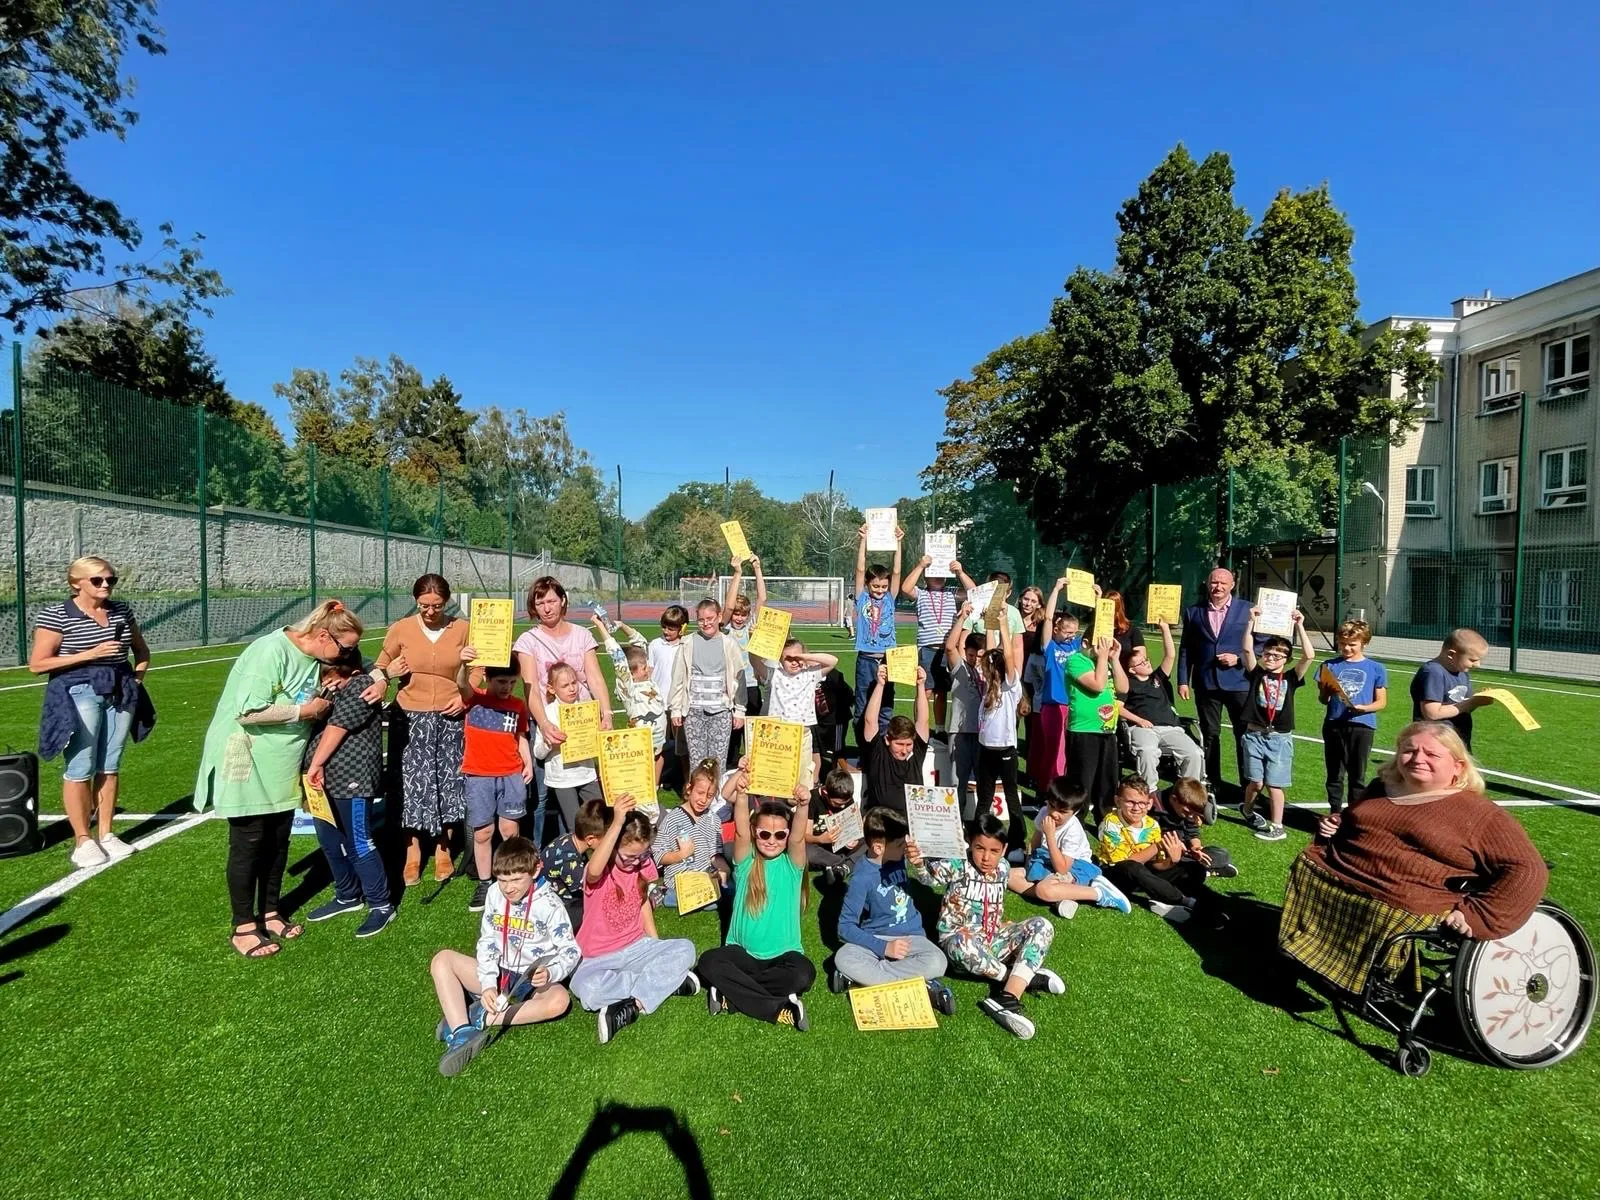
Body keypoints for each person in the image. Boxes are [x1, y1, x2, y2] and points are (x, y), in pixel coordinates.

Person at [1280, 721, 1549, 996]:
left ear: (1458, 766)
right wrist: (1335, 824)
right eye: (1409, 751)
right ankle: (1308, 952)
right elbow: (1355, 820)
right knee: (1307, 871)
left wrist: (1478, 915)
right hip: (1340, 871)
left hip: (1404, 895)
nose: (1418, 759)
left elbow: (1528, 868)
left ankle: (1347, 971)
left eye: (1432, 755)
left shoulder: (1480, 814)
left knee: (1381, 909)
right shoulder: (1381, 787)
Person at [194, 599, 363, 959]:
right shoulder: (270, 650)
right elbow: (248, 710)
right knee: (249, 842)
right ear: (322, 635)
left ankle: (270, 911)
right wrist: (306, 710)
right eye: (345, 647)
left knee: (278, 840)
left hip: (282, 763)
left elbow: (351, 676)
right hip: (248, 759)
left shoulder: (315, 659)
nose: (349, 654)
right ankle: (242, 925)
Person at [30, 555, 151, 868]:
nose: (106, 585)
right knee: (81, 766)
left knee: (110, 765)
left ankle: (107, 833)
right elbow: (38, 664)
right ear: (76, 583)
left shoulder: (122, 611)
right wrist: (91, 654)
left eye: (111, 579)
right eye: (97, 580)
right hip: (78, 690)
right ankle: (83, 839)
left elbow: (141, 650)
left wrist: (137, 678)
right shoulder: (57, 615)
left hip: (121, 690)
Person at [430, 836, 579, 1077]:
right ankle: (461, 1032)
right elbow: (487, 941)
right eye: (502, 880)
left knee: (559, 1002)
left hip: (532, 982)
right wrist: (488, 983)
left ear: (536, 869)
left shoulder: (550, 905)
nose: (509, 888)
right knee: (442, 960)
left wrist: (552, 972)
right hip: (500, 973)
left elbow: (571, 951)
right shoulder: (494, 894)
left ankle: (482, 1017)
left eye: (517, 879)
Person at [907, 813, 1065, 1039]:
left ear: (1004, 848)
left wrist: (1001, 924)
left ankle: (1007, 997)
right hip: (961, 946)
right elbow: (929, 878)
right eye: (980, 849)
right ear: (970, 844)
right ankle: (1018, 978)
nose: (986, 858)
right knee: (960, 943)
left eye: (994, 851)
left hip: (993, 940)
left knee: (1043, 925)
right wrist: (919, 863)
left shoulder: (1003, 868)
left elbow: (995, 901)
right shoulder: (959, 864)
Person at [570, 795, 701, 1044]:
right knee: (587, 991)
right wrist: (617, 822)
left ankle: (633, 1004)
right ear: (612, 847)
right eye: (628, 856)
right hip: (597, 957)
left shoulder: (642, 865)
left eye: (640, 856)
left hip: (637, 947)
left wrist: (655, 942)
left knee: (686, 948)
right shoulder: (598, 870)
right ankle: (667, 982)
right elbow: (595, 869)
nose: (634, 862)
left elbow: (642, 903)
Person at [367, 574, 470, 886]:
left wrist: (464, 698)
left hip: (450, 719)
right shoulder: (401, 628)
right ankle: (412, 852)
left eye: (437, 605)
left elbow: (479, 671)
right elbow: (378, 667)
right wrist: (386, 672)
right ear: (415, 601)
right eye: (424, 605)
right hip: (409, 718)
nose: (430, 611)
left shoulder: (463, 629)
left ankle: (443, 849)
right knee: (410, 786)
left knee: (447, 783)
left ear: (447, 601)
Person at [697, 763, 815, 1028]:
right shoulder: (746, 862)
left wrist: (804, 805)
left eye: (779, 834)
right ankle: (779, 1008)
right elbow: (739, 830)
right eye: (763, 833)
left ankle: (729, 994)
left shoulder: (791, 866)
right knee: (708, 962)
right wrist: (741, 795)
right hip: (741, 955)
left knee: (804, 974)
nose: (771, 840)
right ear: (754, 833)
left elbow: (798, 840)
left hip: (783, 957)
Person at [302, 648, 394, 937]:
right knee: (329, 839)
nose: (331, 684)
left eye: (334, 679)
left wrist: (316, 763)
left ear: (351, 672)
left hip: (352, 779)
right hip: (322, 781)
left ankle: (381, 904)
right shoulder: (330, 692)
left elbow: (337, 727)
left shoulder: (361, 685)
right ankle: (347, 895)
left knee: (359, 842)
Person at [830, 807, 956, 1012]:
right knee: (843, 956)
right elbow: (845, 928)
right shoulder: (861, 878)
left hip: (911, 939)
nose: (906, 847)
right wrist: (883, 948)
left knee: (938, 962)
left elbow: (935, 873)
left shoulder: (898, 857)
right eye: (900, 844)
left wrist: (920, 862)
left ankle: (862, 980)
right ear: (879, 848)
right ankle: (922, 986)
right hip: (876, 940)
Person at [515, 576, 613, 798]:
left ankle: (576, 831)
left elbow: (595, 679)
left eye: (551, 601)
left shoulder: (582, 635)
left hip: (582, 720)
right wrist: (545, 724)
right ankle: (544, 834)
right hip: (546, 719)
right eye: (540, 604)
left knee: (584, 785)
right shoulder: (527, 640)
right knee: (541, 795)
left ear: (562, 601)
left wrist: (606, 714)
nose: (546, 609)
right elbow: (529, 686)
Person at [455, 648, 535, 913]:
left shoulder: (517, 706)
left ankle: (515, 877)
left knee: (510, 831)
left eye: (512, 682)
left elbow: (521, 738)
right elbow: (461, 683)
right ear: (488, 678)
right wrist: (464, 664)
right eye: (502, 682)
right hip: (479, 776)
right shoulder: (474, 700)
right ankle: (484, 881)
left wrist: (528, 763)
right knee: (483, 832)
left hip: (511, 774)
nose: (507, 687)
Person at [1238, 606, 1316, 843]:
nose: (1270, 658)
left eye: (1277, 656)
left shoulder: (1292, 678)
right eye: (1268, 654)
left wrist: (1299, 625)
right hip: (1254, 736)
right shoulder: (1257, 673)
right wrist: (1251, 622)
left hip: (1280, 739)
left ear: (1287, 659)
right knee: (1256, 782)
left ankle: (1277, 825)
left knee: (1275, 785)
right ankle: (1248, 809)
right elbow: (1245, 648)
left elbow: (1309, 656)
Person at [1177, 568, 1254, 801]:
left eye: (1222, 583)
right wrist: (1183, 680)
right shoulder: (1193, 612)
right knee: (1210, 734)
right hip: (1206, 683)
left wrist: (1239, 657)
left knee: (1244, 735)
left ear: (1232, 585)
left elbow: (1262, 643)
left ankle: (1247, 783)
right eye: (1213, 582)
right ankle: (1213, 781)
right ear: (1207, 584)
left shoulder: (1248, 610)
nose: (1217, 587)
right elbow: (1186, 650)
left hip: (1240, 683)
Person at [1010, 779, 1131, 917]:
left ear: (1075, 811)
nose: (1054, 814)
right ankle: (1061, 899)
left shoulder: (1073, 830)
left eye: (1062, 811)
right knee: (1009, 876)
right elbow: (1036, 840)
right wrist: (1028, 862)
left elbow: (1062, 869)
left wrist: (1050, 836)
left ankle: (1098, 893)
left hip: (1075, 866)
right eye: (1051, 806)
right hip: (1048, 859)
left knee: (1043, 889)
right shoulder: (1044, 812)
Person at [1095, 778, 1203, 924]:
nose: (1136, 808)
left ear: (1149, 804)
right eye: (1130, 802)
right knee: (1133, 867)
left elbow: (1157, 865)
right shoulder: (1110, 823)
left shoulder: (1152, 825)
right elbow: (1124, 863)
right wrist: (1158, 846)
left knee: (1195, 869)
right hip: (1116, 873)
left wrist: (1172, 860)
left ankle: (1159, 896)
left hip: (1143, 873)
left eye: (1142, 803)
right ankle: (1180, 899)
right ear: (1117, 801)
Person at [1118, 620, 1204, 793]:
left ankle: (1187, 793)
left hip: (1171, 728)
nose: (1147, 663)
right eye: (1141, 663)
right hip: (1142, 728)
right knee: (1148, 751)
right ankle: (1148, 794)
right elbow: (1118, 707)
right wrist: (1139, 720)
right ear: (1132, 670)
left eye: (1146, 660)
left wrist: (1165, 629)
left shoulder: (1158, 677)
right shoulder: (1126, 683)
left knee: (1194, 753)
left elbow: (1170, 655)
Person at [531, 663, 604, 851]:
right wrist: (550, 744)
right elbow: (537, 752)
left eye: (574, 682)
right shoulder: (547, 714)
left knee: (599, 818)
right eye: (565, 685)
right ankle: (576, 866)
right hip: (562, 778)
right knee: (575, 826)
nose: (572, 688)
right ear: (551, 689)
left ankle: (602, 862)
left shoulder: (588, 709)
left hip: (587, 772)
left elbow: (597, 744)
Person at [1319, 618, 1389, 813]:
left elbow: (1382, 701)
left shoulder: (1376, 668)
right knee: (1334, 772)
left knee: (1357, 775)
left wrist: (1363, 708)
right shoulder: (1329, 665)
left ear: (1364, 643)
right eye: (1342, 644)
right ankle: (1335, 813)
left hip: (1362, 725)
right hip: (1334, 724)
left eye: (1352, 644)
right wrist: (1326, 691)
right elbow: (1323, 699)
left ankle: (1354, 815)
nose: (1346, 648)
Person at [669, 598, 747, 768]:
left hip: (721, 712)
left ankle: (716, 794)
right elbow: (678, 679)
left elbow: (739, 679)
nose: (706, 623)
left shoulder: (730, 644)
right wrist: (676, 708)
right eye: (701, 620)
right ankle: (697, 794)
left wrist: (739, 710)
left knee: (717, 761)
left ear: (719, 617)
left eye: (710, 618)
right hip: (693, 712)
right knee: (697, 762)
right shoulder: (687, 643)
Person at [754, 636, 837, 791]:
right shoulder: (775, 675)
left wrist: (804, 657)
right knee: (778, 774)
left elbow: (832, 661)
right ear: (780, 660)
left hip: (802, 732)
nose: (794, 662)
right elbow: (754, 661)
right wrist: (755, 639)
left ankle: (802, 808)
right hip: (778, 734)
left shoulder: (810, 674)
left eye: (797, 658)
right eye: (788, 658)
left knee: (803, 775)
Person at [593, 614, 668, 784]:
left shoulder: (648, 680)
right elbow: (617, 656)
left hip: (657, 740)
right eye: (644, 667)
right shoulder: (629, 687)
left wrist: (621, 626)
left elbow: (640, 642)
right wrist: (601, 627)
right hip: (641, 741)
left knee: (658, 758)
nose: (648, 668)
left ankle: (653, 790)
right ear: (634, 671)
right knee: (639, 771)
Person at [974, 620, 1026, 854]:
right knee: (984, 799)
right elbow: (992, 648)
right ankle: (979, 837)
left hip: (1005, 751)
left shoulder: (1011, 687)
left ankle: (1017, 840)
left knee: (1011, 797)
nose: (984, 671)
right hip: (985, 751)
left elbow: (1008, 654)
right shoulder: (987, 689)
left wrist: (1004, 623)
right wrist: (990, 624)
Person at [1029, 578, 1084, 796]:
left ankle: (1057, 788)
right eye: (1067, 631)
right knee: (1054, 751)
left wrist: (1099, 600)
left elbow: (1099, 631)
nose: (1071, 635)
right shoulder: (1050, 646)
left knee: (1066, 751)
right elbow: (1049, 617)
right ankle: (1048, 790)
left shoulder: (1077, 645)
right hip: (1052, 704)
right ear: (1057, 629)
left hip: (1073, 704)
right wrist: (1056, 589)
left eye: (1074, 632)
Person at [1064, 633, 1128, 821]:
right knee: (1082, 782)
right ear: (1085, 643)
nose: (1105, 648)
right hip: (1084, 731)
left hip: (1107, 730)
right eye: (1100, 644)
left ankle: (1105, 822)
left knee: (1107, 782)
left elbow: (1123, 688)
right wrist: (1101, 657)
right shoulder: (1076, 660)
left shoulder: (1105, 661)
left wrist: (1114, 660)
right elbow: (1098, 685)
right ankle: (1076, 822)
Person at [652, 757, 732, 904]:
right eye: (700, 793)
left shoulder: (713, 819)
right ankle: (667, 893)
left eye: (709, 796)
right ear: (689, 789)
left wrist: (724, 870)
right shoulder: (672, 818)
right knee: (681, 898)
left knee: (730, 891)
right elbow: (658, 854)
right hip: (680, 878)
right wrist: (681, 854)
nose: (703, 800)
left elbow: (715, 854)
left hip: (703, 878)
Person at [852, 522, 904, 734]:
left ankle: (881, 748)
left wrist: (899, 544)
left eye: (884, 586)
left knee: (885, 707)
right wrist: (863, 540)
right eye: (875, 586)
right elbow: (860, 568)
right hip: (865, 659)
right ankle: (865, 750)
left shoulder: (890, 599)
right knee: (862, 707)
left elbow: (897, 571)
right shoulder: (862, 597)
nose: (880, 590)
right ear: (867, 585)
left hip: (888, 659)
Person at [858, 664, 931, 818]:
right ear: (887, 740)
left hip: (912, 821)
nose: (904, 750)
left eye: (908, 744)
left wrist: (921, 685)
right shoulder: (878, 752)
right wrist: (880, 684)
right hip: (880, 822)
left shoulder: (916, 752)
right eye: (899, 744)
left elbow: (923, 721)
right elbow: (870, 720)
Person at [901, 553, 959, 732]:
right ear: (926, 576)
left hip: (947, 651)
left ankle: (940, 730)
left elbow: (974, 593)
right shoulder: (921, 593)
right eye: (934, 573)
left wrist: (961, 572)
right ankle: (919, 728)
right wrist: (920, 565)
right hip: (927, 649)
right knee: (924, 691)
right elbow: (905, 588)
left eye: (942, 574)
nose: (939, 577)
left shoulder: (951, 592)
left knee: (941, 693)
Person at [1409, 628, 1493, 750]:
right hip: (1435, 743)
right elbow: (1431, 713)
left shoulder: (1461, 671)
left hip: (1457, 740)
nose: (1478, 665)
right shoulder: (1433, 672)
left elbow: (1463, 707)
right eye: (1473, 660)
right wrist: (1472, 702)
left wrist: (1478, 699)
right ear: (1451, 654)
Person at [540, 798, 609, 930]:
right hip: (555, 910)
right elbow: (590, 890)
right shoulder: (569, 861)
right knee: (598, 906)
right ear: (590, 839)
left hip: (555, 899)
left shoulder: (567, 839)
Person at [942, 614, 985, 819]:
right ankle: (956, 823)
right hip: (959, 731)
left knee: (984, 780)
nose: (975, 659)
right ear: (965, 652)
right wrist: (962, 618)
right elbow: (950, 647)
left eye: (980, 655)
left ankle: (982, 822)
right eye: (970, 654)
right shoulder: (960, 668)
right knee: (957, 780)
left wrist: (994, 622)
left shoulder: (990, 669)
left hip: (984, 733)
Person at [1154, 778, 1236, 880]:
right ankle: (1203, 870)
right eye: (1186, 812)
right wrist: (1175, 844)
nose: (1190, 816)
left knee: (1222, 854)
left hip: (1184, 849)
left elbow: (1193, 833)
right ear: (1174, 799)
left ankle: (1199, 868)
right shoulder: (1155, 806)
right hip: (1161, 850)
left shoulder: (1189, 811)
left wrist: (1196, 848)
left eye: (1194, 813)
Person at [720, 554, 768, 721]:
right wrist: (737, 573)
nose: (739, 618)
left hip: (751, 685)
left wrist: (757, 568)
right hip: (731, 686)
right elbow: (729, 605)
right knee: (732, 735)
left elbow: (762, 598)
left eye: (743, 615)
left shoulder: (751, 626)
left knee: (752, 733)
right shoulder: (725, 630)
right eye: (736, 614)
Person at [649, 605, 688, 784]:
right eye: (664, 627)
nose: (666, 631)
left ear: (682, 628)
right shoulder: (655, 644)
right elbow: (650, 671)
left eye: (671, 628)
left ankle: (686, 781)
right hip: (658, 705)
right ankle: (654, 782)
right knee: (657, 747)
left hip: (678, 705)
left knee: (682, 747)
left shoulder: (687, 645)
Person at [804, 767, 863, 884]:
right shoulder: (813, 799)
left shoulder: (846, 799)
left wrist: (853, 839)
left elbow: (855, 828)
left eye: (844, 804)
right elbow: (804, 835)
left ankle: (838, 866)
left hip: (839, 845)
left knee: (868, 840)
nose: (841, 807)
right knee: (806, 851)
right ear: (825, 792)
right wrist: (820, 839)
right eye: (836, 803)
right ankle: (845, 865)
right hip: (817, 846)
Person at [1101, 589, 1143, 660]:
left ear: (1118, 609)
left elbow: (1140, 657)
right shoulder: (1095, 628)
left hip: (1124, 669)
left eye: (1111, 607)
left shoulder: (1133, 630)